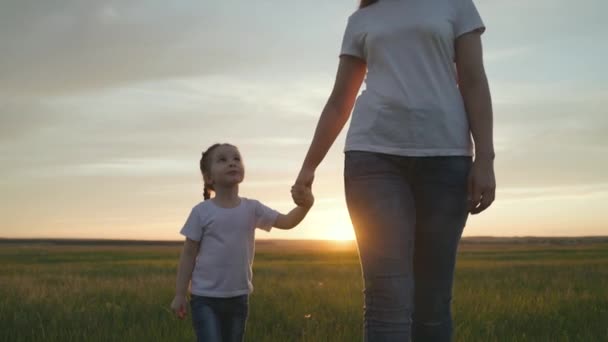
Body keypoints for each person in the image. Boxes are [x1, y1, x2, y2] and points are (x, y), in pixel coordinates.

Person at [292, 0, 495, 340]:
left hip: (446, 159)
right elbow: (340, 100)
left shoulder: (455, 5)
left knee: (432, 300)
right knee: (386, 299)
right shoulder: (362, 19)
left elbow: (473, 80)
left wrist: (485, 158)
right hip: (373, 159)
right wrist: (308, 167)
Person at [171, 143, 314, 342]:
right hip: (204, 298)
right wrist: (180, 294)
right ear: (208, 177)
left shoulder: (252, 208)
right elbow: (188, 255)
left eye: (236, 158)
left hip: (238, 297)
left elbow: (287, 222)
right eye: (222, 160)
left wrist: (306, 206)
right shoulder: (201, 212)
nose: (232, 163)